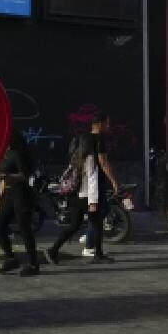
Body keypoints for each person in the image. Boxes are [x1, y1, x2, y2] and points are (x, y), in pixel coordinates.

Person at [46, 113, 120, 264]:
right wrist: (112, 183)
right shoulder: (96, 146)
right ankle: (97, 254)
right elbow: (94, 174)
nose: (108, 126)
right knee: (97, 222)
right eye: (107, 123)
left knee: (75, 225)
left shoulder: (80, 147)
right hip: (88, 192)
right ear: (99, 124)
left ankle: (53, 250)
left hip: (76, 193)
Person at [0, 130, 39, 276]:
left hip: (22, 194)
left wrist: (4, 175)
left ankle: (33, 264)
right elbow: (3, 179)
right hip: (8, 194)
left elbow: (26, 176)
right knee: (0, 225)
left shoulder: (18, 153)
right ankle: (11, 258)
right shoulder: (4, 154)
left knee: (24, 228)